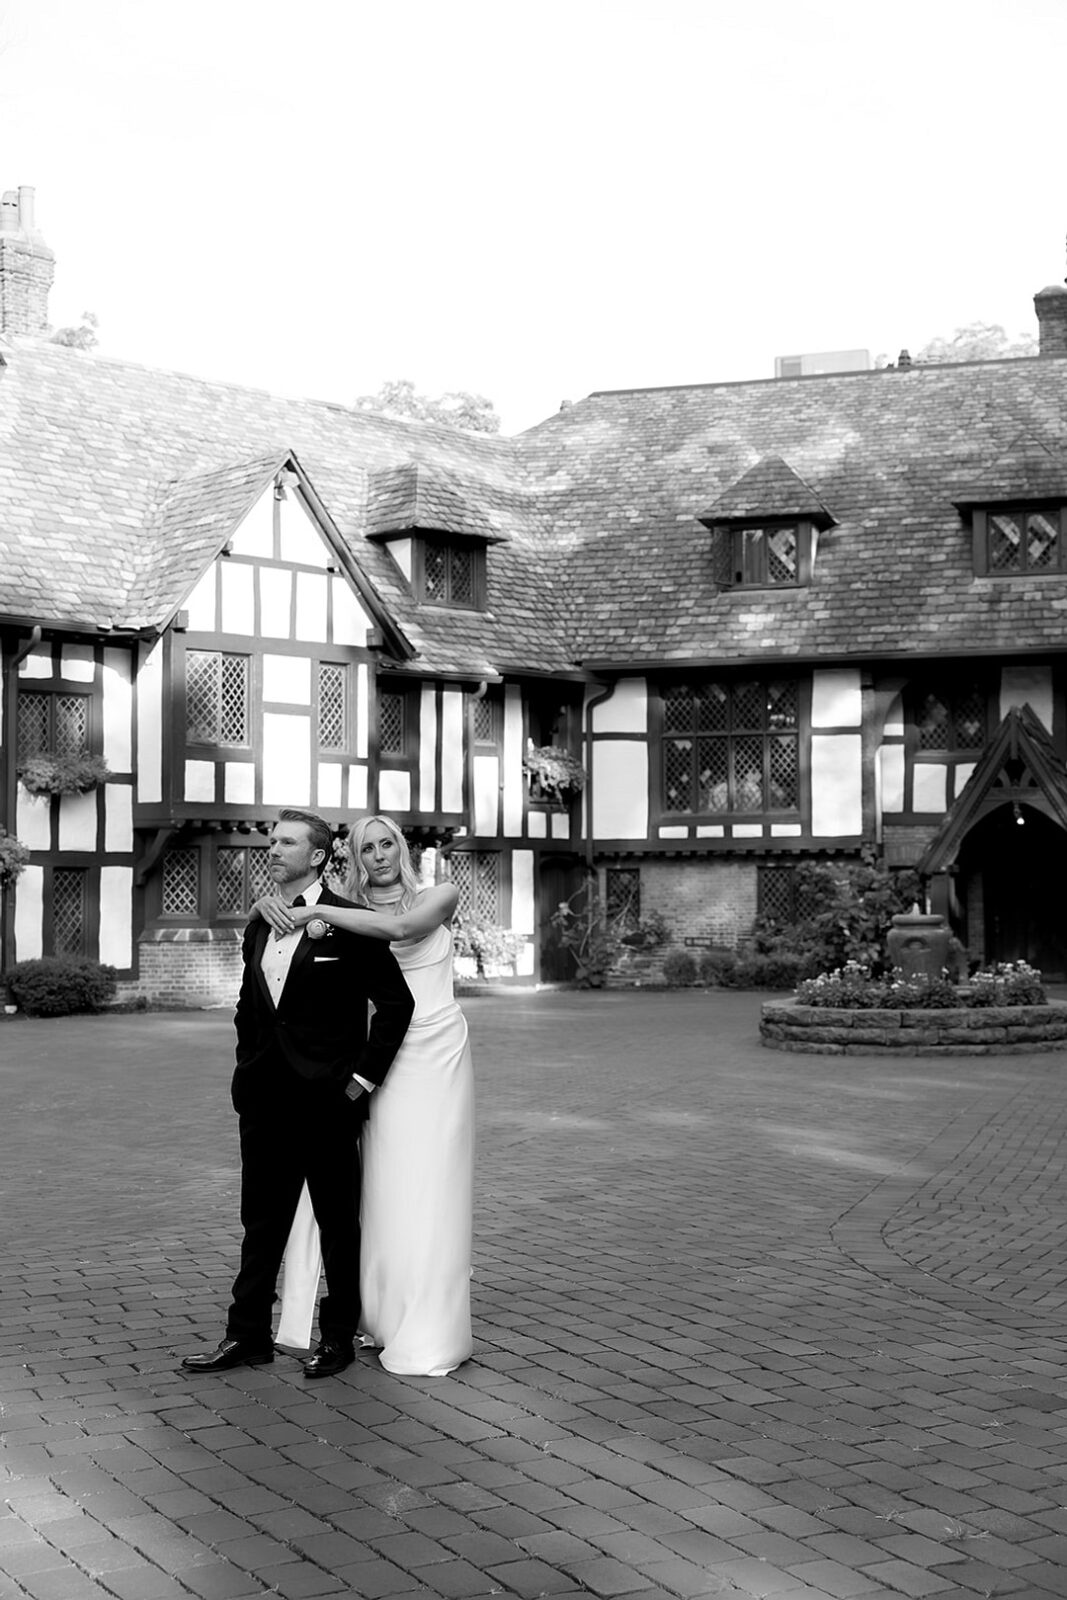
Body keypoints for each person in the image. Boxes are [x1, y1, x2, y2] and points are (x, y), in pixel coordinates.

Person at [182, 808, 414, 1380]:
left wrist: (359, 1083)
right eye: (272, 841)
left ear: (316, 856)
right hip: (264, 1096)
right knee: (260, 1221)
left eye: (287, 842)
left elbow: (396, 1006)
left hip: (328, 1099)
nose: (274, 849)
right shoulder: (261, 922)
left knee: (338, 1224)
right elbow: (248, 1008)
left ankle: (337, 1339)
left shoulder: (351, 922)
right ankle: (247, 1336)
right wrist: (245, 1069)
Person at [258, 814, 475, 1377]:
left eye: (386, 844)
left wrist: (318, 912)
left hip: (437, 1052)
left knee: (434, 1181)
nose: (378, 855)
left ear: (401, 848)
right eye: (365, 848)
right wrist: (271, 907)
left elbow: (402, 931)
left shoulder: (440, 893)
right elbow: (280, 921)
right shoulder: (344, 911)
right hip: (378, 1056)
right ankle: (377, 1311)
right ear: (353, 856)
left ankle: (430, 1320)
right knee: (378, 1185)